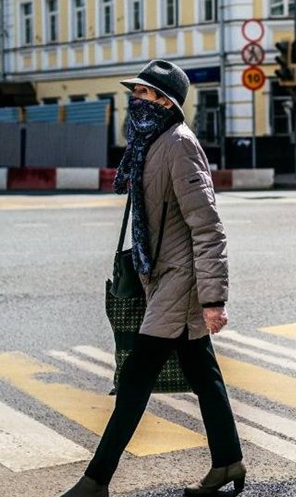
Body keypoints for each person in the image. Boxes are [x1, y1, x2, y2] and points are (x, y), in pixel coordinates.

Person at [59, 60, 244, 497]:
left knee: (135, 380)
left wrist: (213, 299)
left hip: (179, 282)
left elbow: (208, 226)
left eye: (143, 93)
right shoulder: (150, 143)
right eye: (136, 92)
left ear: (165, 101)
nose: (135, 99)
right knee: (203, 374)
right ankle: (228, 461)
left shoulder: (179, 145)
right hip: (160, 277)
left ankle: (96, 480)